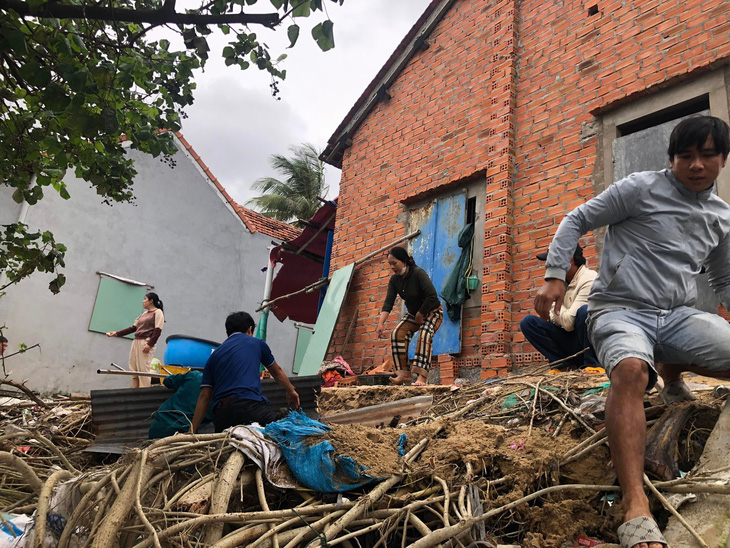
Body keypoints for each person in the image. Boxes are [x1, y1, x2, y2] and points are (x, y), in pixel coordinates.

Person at [534, 115, 730, 548]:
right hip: (619, 310)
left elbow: (725, 279)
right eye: (686, 156)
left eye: (707, 155)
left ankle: (672, 373)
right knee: (629, 371)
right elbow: (576, 218)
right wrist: (555, 276)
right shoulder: (640, 188)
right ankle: (635, 503)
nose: (696, 165)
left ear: (722, 159)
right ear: (672, 158)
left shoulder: (720, 216)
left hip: (676, 314)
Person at [189, 311, 300, 433]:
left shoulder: (214, 356)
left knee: (224, 447)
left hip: (222, 415)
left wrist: (192, 431)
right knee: (281, 430)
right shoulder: (257, 343)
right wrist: (291, 390)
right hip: (249, 407)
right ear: (250, 329)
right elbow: (276, 371)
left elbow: (205, 396)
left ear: (228, 332)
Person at [520, 244, 600, 370]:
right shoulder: (558, 282)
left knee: (583, 313)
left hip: (589, 345)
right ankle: (563, 366)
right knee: (528, 323)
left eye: (552, 262)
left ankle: (592, 366)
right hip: (572, 343)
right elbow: (549, 317)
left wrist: (556, 304)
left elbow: (568, 323)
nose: (548, 267)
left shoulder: (589, 279)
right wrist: (557, 307)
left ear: (570, 260)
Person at [376, 246, 443, 385]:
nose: (392, 267)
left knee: (425, 333)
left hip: (432, 311)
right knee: (397, 333)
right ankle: (404, 374)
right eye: (390, 264)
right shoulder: (395, 281)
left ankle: (421, 378)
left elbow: (432, 296)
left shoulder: (418, 273)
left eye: (394, 263)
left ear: (404, 261)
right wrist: (381, 323)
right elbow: (388, 303)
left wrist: (420, 314)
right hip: (413, 314)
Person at [106, 292, 165, 388]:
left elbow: (157, 330)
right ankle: (133, 393)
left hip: (145, 342)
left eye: (145, 299)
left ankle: (143, 393)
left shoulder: (158, 312)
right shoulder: (144, 314)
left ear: (151, 301)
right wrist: (116, 333)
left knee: (143, 369)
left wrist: (149, 344)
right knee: (133, 368)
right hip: (136, 341)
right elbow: (133, 328)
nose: (143, 301)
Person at [149, 370, 214, 438]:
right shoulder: (219, 394)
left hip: (161, 424)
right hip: (185, 433)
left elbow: (167, 381)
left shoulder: (194, 376)